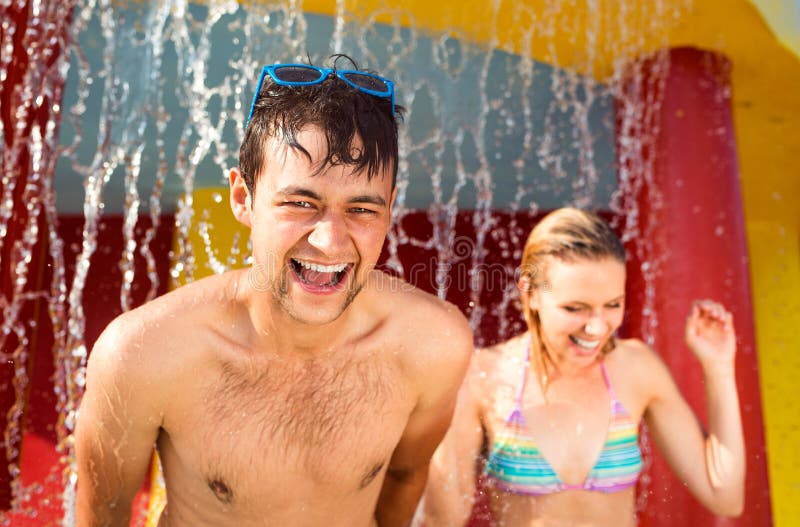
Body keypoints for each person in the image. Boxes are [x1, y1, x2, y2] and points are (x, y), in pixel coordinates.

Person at [75, 56, 473, 527]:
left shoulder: (434, 344)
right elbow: (105, 514)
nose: (329, 240)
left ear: (389, 211)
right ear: (243, 198)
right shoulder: (145, 353)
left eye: (362, 209)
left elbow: (406, 478)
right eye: (301, 203)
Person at [421, 207, 744, 527]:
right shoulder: (484, 378)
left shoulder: (636, 369)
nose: (596, 328)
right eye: (575, 308)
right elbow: (442, 521)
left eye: (613, 305)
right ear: (530, 292)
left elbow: (724, 495)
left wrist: (718, 366)